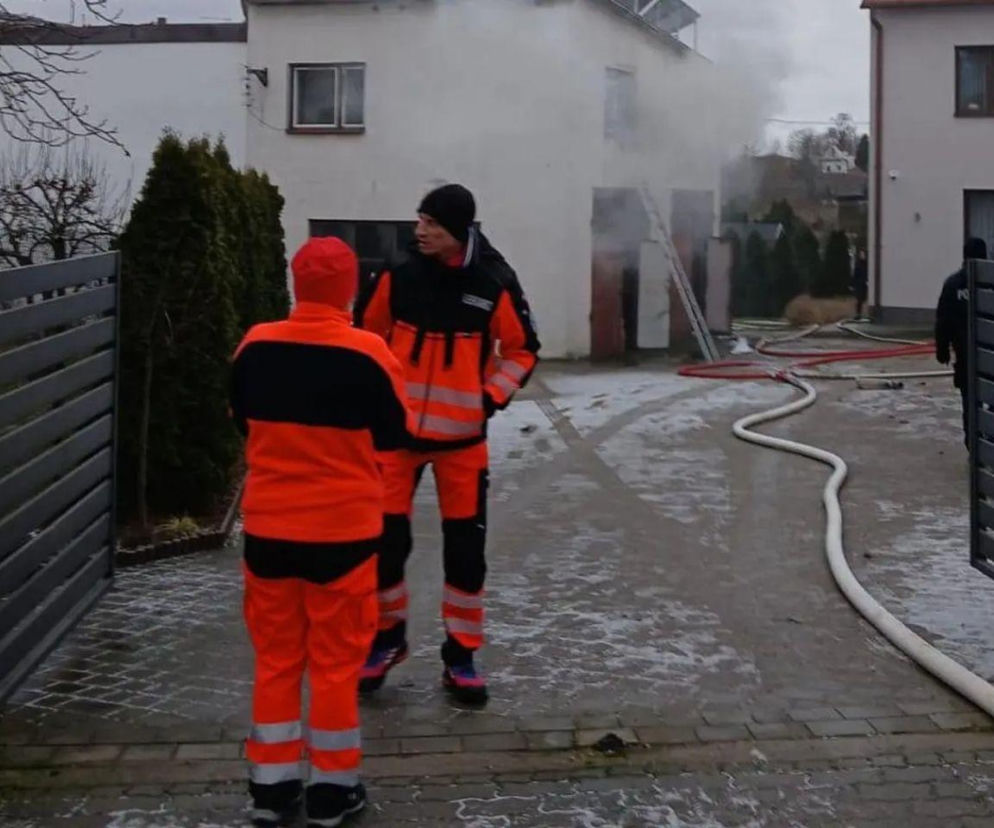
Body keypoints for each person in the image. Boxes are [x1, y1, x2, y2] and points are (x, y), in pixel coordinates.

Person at [230, 237, 412, 828]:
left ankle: (271, 791)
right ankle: (334, 793)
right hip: (345, 536)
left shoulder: (254, 346)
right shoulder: (372, 354)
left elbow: (239, 421)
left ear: (296, 284)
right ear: (349, 290)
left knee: (277, 661)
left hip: (269, 531)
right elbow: (393, 437)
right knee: (335, 666)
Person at [354, 183, 540, 705]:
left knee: (465, 556)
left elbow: (522, 351)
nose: (420, 230)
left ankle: (461, 655)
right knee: (383, 547)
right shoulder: (397, 276)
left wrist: (486, 400)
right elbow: (363, 340)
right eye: (419, 220)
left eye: (431, 223)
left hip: (462, 445)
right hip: (397, 440)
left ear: (457, 231)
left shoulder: (493, 282)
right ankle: (386, 640)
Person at [936, 237, 988, 446]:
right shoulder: (988, 283)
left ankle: (974, 444)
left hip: (965, 355)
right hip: (989, 357)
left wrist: (942, 349)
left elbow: (943, 319)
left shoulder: (952, 284)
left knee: (970, 401)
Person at [852, 249, 869, 321]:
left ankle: (867, 314)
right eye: (861, 254)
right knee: (859, 300)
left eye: (863, 254)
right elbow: (855, 274)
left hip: (866, 283)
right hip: (859, 284)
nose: (862, 256)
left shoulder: (867, 264)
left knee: (866, 299)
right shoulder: (858, 264)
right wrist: (852, 284)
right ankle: (858, 314)